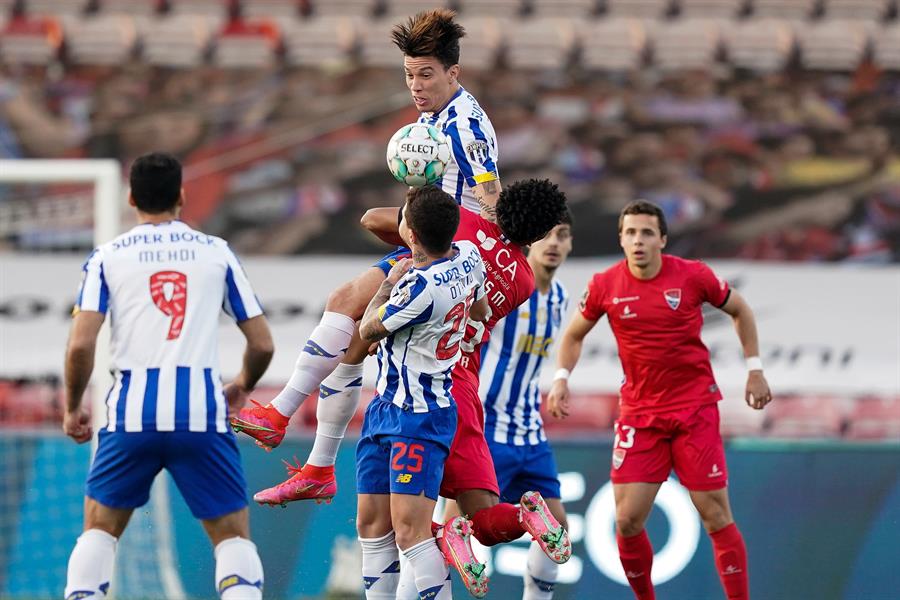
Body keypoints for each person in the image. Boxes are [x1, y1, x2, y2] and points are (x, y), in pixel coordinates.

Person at [230, 8, 503, 503]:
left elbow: (491, 195)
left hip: (450, 251)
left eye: (426, 75)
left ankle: (296, 435)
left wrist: (482, 258)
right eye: (409, 75)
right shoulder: (432, 115)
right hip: (429, 238)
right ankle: (296, 438)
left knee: (356, 327)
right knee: (347, 314)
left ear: (453, 73)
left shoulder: (467, 128)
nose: (416, 85)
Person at [62, 153, 274, 600]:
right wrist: (242, 385)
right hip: (200, 410)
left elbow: (81, 344)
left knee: (99, 530)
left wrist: (71, 407)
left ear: (132, 198)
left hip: (131, 414)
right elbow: (262, 344)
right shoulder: (216, 252)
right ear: (181, 195)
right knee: (232, 538)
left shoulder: (108, 256)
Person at [547, 200, 773, 600]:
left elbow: (740, 310)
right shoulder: (604, 285)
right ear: (621, 239)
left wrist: (754, 368)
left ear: (662, 240)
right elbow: (573, 334)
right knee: (627, 520)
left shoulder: (693, 276)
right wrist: (562, 378)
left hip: (694, 410)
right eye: (631, 232)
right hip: (640, 414)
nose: (638, 240)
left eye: (647, 232)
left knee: (715, 514)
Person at [361, 180, 571, 597]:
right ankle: (524, 517)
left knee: (406, 530)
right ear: (538, 234)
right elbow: (482, 308)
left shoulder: (466, 228)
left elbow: (375, 221)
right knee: (488, 523)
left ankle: (443, 534)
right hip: (467, 393)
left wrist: (416, 203)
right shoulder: (524, 281)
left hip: (423, 391)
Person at [427, 216, 574, 600]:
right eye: (549, 235)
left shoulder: (560, 298)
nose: (555, 243)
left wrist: (560, 378)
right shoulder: (510, 290)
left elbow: (570, 339)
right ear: (531, 241)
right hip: (487, 425)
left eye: (563, 236)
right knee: (452, 532)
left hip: (530, 431)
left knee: (557, 528)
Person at [355, 186, 487, 600]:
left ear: (409, 234)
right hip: (386, 407)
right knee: (372, 527)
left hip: (420, 416)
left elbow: (366, 330)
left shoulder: (417, 288)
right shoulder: (469, 257)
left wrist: (387, 283)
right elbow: (480, 311)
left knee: (411, 533)